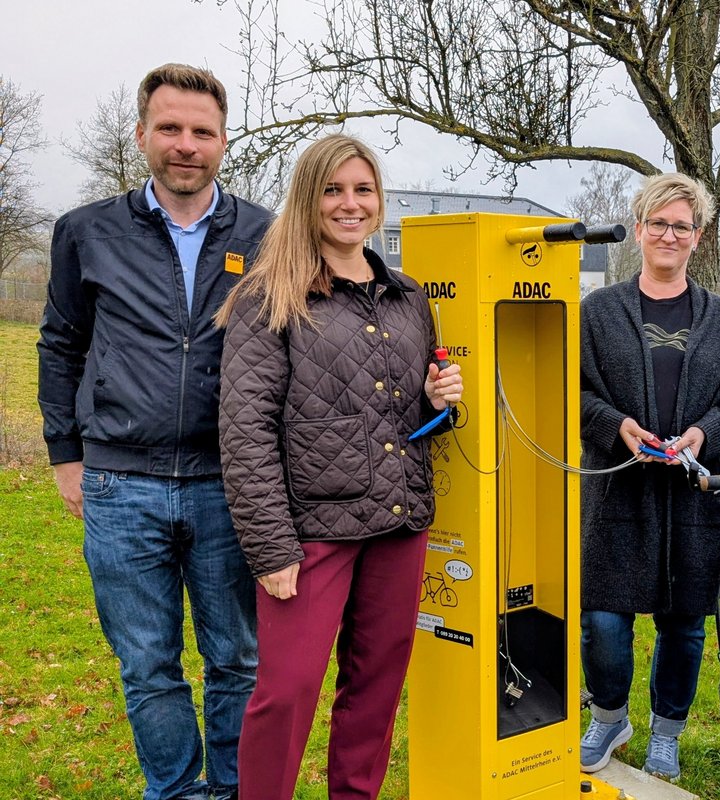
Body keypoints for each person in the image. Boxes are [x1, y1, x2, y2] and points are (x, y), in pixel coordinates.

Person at [36, 64, 270, 800]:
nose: (185, 145)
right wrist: (65, 456)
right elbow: (61, 343)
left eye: (202, 131)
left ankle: (230, 789)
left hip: (227, 487)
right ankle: (173, 790)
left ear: (224, 141)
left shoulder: (264, 235)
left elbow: (307, 342)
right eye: (169, 128)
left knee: (237, 659)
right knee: (147, 664)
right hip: (119, 485)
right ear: (141, 134)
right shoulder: (86, 232)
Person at [216, 134, 462, 799]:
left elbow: (407, 409)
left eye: (362, 189)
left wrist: (441, 402)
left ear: (379, 201)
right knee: (289, 688)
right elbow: (245, 432)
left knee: (377, 686)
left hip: (398, 520)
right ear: (308, 199)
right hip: (312, 530)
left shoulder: (408, 296)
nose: (349, 204)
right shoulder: (270, 296)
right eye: (333, 190)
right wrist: (271, 548)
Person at [578, 172, 720, 781]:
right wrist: (616, 424)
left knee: (684, 623)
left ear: (698, 236)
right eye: (657, 223)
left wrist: (706, 435)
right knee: (603, 617)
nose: (668, 234)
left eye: (680, 225)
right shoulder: (597, 313)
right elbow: (570, 390)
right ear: (638, 231)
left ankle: (667, 729)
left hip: (694, 494)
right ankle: (609, 717)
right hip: (617, 490)